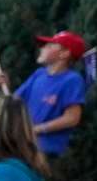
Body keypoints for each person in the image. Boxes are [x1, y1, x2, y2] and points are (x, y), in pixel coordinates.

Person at [17, 32, 89, 163]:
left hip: (45, 151)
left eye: (49, 46)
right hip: (24, 146)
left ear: (65, 54)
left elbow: (72, 118)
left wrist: (37, 129)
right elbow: (14, 101)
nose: (42, 48)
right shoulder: (38, 74)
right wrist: (3, 84)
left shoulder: (72, 80)